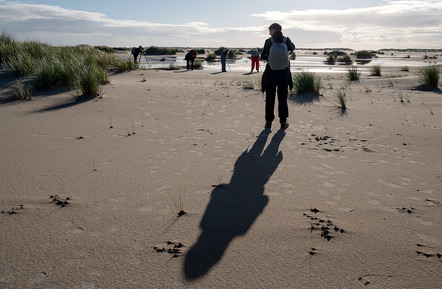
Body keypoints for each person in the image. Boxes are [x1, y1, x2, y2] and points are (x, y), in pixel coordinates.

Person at [261, 23, 295, 130]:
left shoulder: (269, 41)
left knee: (270, 98)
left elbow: (263, 56)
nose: (269, 32)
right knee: (282, 98)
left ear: (273, 30)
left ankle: (268, 122)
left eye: (269, 30)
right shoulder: (286, 40)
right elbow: (292, 48)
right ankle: (283, 122)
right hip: (284, 74)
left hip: (271, 73)